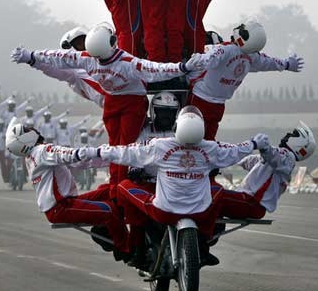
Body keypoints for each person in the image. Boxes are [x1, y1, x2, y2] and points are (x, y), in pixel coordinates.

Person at [11, 22, 204, 190]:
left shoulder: (125, 61)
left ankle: (122, 182)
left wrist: (181, 67)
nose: (79, 48)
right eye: (75, 45)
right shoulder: (84, 61)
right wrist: (32, 58)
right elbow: (58, 59)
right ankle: (118, 184)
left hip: (131, 102)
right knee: (116, 147)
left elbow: (154, 69)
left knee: (125, 146)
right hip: (112, 104)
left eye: (81, 42)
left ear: (111, 43)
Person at [90, 106, 269, 267]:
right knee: (217, 192)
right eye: (162, 111)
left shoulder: (160, 146)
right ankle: (201, 244)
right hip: (200, 211)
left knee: (123, 187)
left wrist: (93, 152)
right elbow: (235, 151)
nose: (165, 116)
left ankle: (136, 246)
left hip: (165, 210)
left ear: (177, 122)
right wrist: (254, 143)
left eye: (169, 112)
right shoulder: (211, 148)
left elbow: (124, 152)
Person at [5, 119, 130, 258]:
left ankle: (114, 228)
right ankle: (127, 250)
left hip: (66, 202)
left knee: (109, 190)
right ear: (23, 139)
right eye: (27, 130)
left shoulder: (32, 156)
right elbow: (71, 154)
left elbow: (78, 163)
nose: (32, 129)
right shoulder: (42, 151)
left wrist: (113, 157)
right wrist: (107, 151)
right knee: (109, 210)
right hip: (61, 207)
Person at [186, 21, 304, 140]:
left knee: (188, 136)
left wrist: (198, 58)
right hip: (219, 106)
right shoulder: (253, 57)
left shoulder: (225, 49)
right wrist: (287, 64)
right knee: (208, 142)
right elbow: (270, 62)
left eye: (243, 29)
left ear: (245, 37)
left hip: (198, 99)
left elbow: (210, 57)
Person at [221, 122, 316, 220]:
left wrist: (263, 145)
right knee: (211, 193)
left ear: (300, 144)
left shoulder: (287, 158)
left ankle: (206, 234)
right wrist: (223, 160)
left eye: (293, 134)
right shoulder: (280, 161)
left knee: (214, 194)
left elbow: (271, 154)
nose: (288, 135)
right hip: (247, 202)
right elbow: (250, 161)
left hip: (251, 202)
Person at [27, 28, 106, 108]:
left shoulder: (103, 55)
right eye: (79, 45)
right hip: (110, 103)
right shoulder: (74, 72)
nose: (86, 46)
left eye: (85, 41)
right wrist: (32, 60)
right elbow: (52, 70)